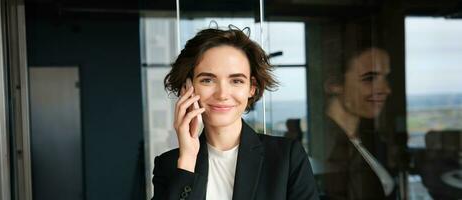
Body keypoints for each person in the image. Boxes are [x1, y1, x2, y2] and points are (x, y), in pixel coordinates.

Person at [151, 28, 319, 200]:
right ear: (187, 87)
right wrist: (187, 159)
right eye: (207, 80)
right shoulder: (170, 165)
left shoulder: (286, 158)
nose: (222, 94)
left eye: (236, 81)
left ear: (251, 87)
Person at [319, 47, 395, 199]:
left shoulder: (366, 137)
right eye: (369, 78)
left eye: (385, 78)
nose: (386, 89)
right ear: (334, 84)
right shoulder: (325, 143)